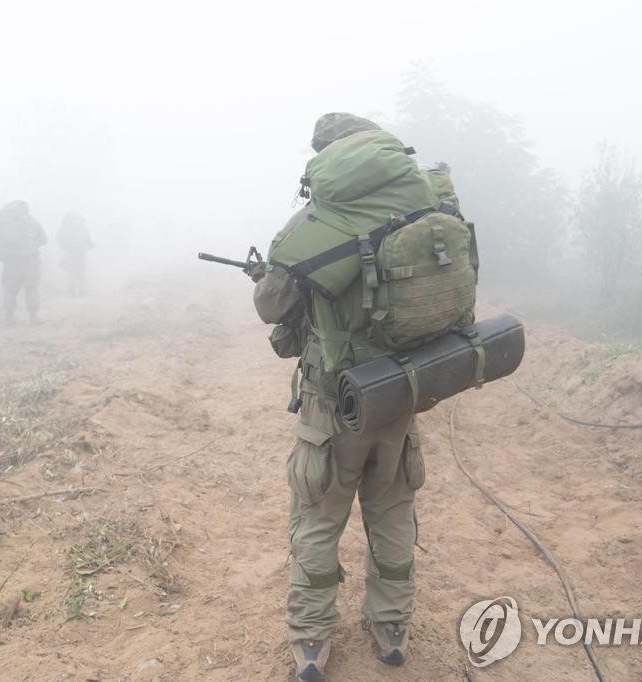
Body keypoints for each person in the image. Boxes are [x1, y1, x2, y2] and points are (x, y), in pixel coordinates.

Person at [253, 113, 468, 680]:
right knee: (393, 509)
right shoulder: (430, 202)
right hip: (400, 391)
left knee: (319, 515)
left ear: (326, 159)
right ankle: (391, 626)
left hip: (333, 402)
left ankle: (312, 638)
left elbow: (270, 307)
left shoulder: (314, 224)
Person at [0, 200, 46, 325]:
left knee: (10, 289)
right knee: (31, 288)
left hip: (10, 261)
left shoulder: (3, 222)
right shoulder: (32, 222)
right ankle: (33, 318)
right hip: (30, 261)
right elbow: (43, 239)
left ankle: (9, 318)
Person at [57, 212, 94, 296]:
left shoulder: (66, 229)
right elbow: (90, 241)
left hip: (75, 253)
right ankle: (78, 290)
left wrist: (66, 247)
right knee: (77, 271)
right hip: (76, 253)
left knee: (74, 271)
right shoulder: (81, 229)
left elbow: (60, 240)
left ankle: (76, 290)